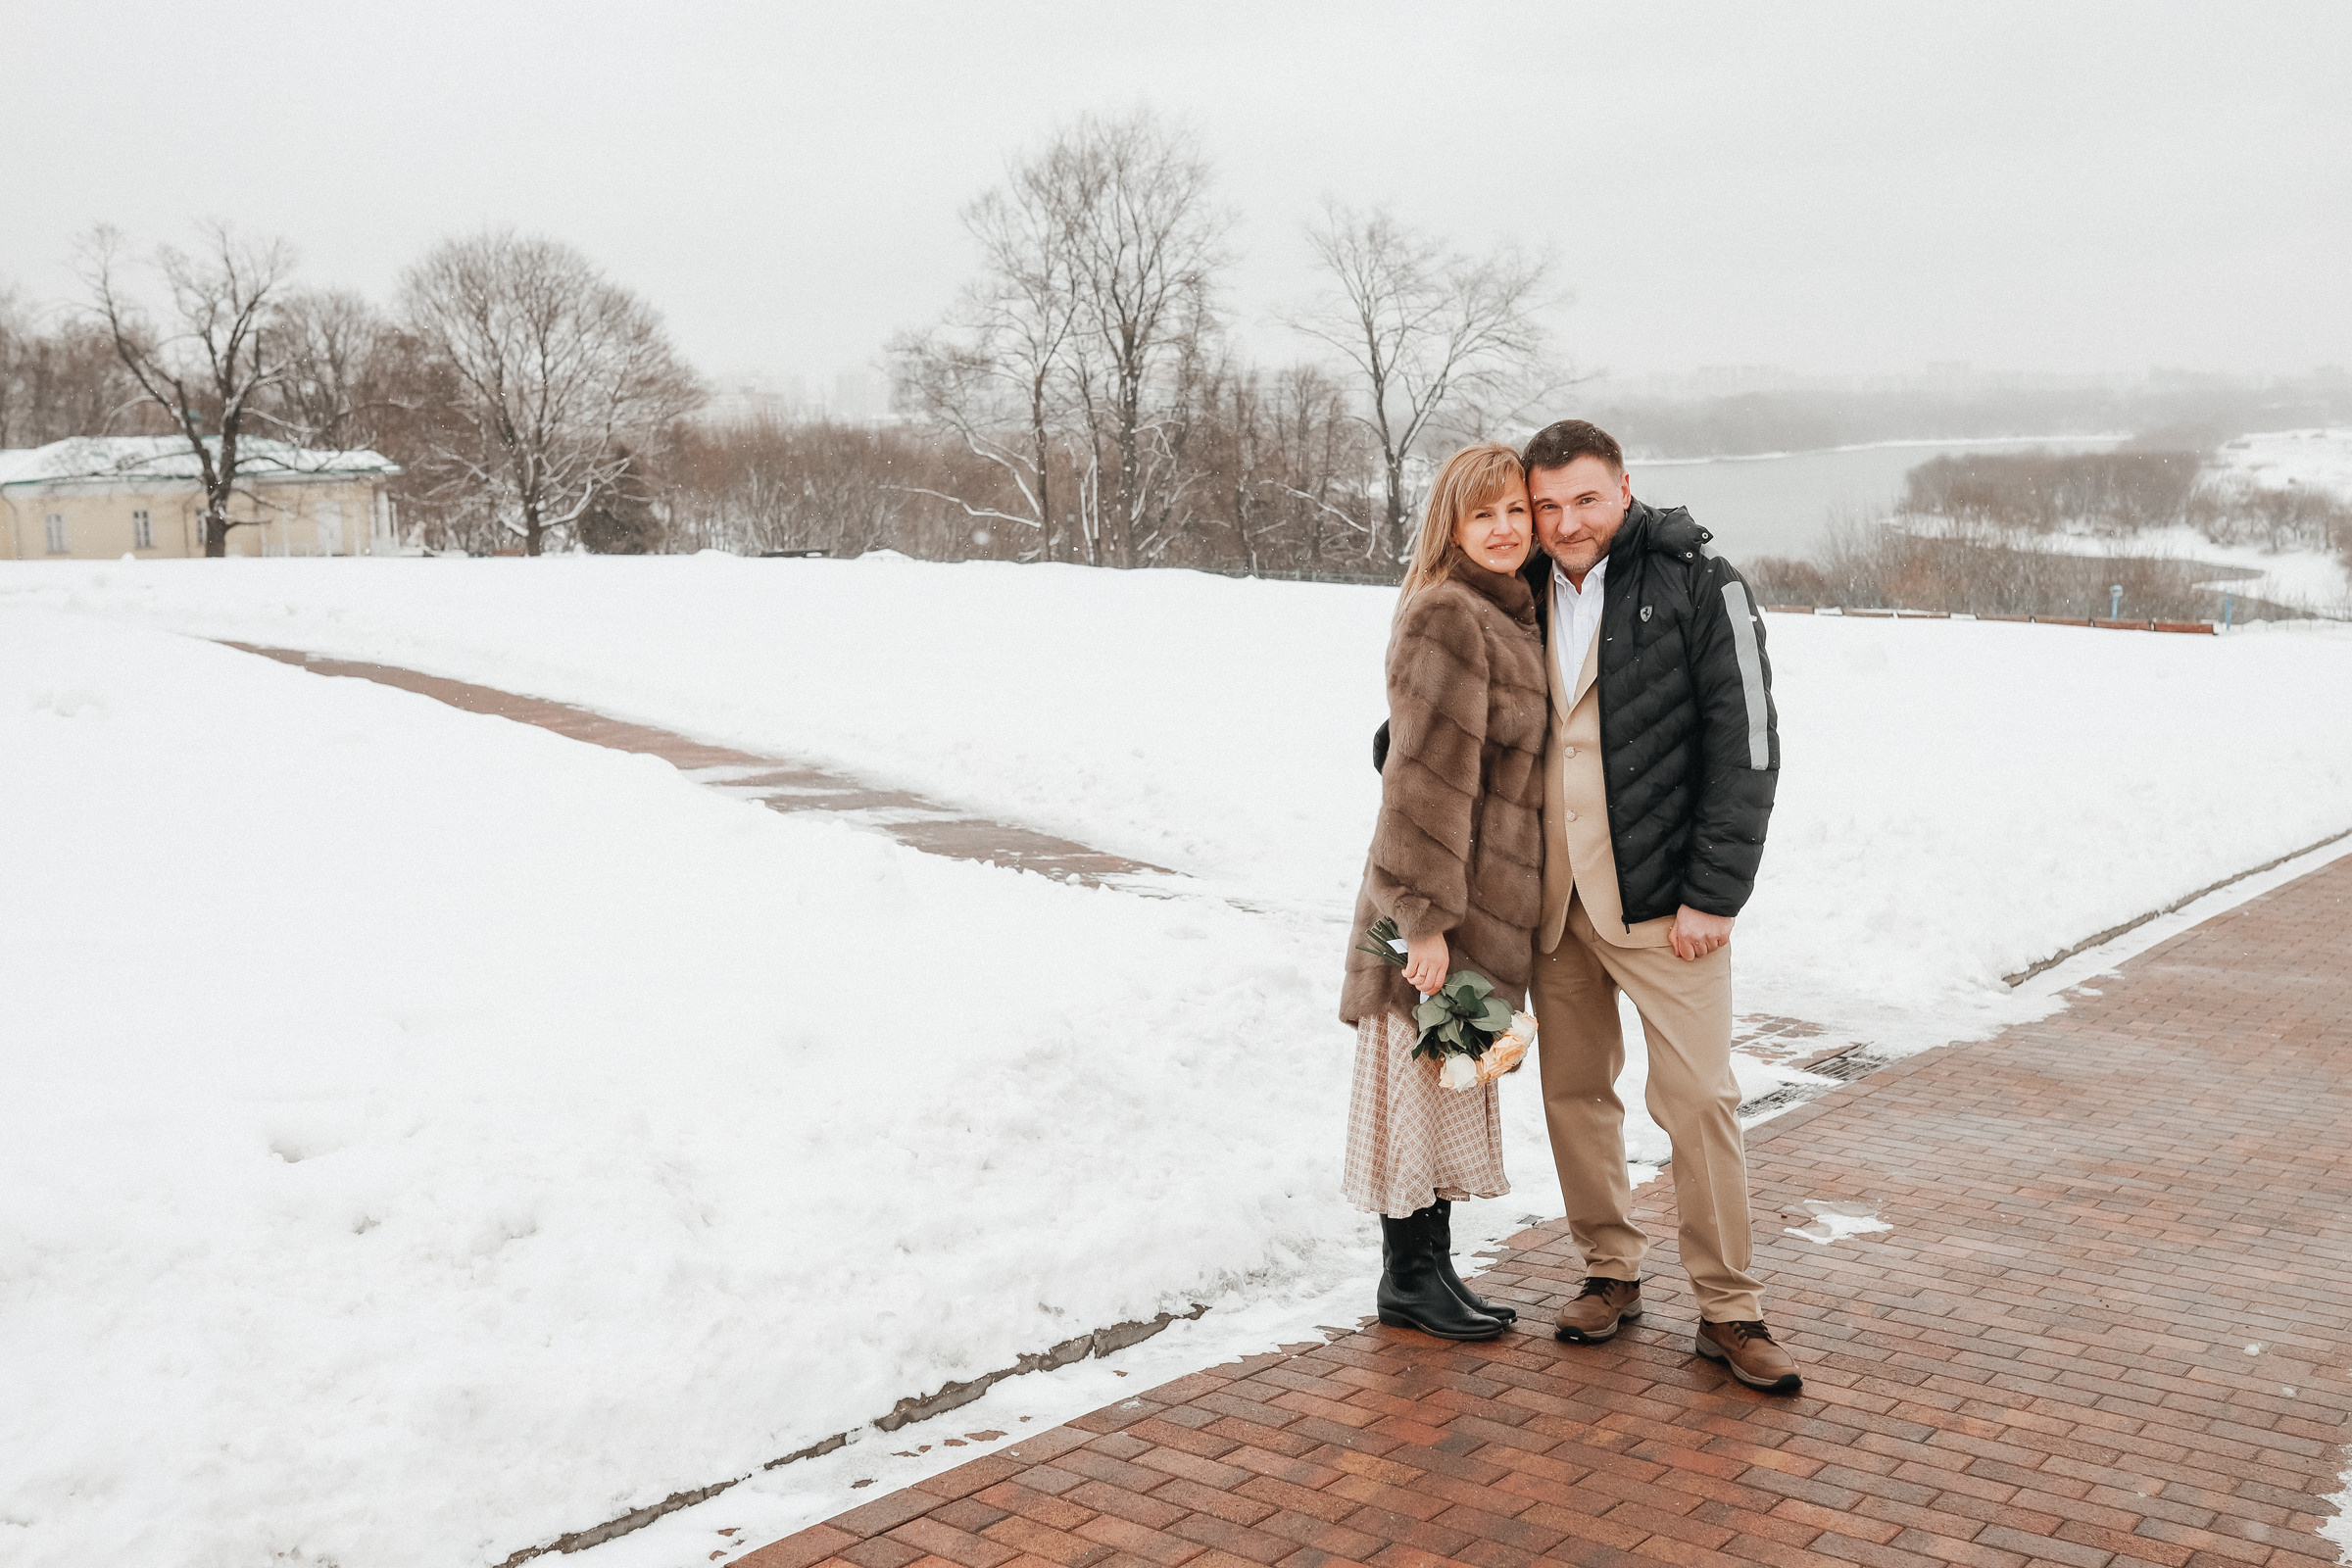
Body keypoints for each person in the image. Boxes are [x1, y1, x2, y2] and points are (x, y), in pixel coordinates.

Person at [1516, 418, 1799, 1392]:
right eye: (1548, 504)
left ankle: (1729, 1306)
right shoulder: (1513, 589)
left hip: (1664, 905)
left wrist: (1714, 893)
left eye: (1585, 498)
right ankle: (1609, 1268)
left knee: (1700, 1101)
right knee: (1574, 1096)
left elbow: (1749, 740)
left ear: (1624, 487)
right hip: (1554, 904)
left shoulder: (1698, 579)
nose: (1566, 521)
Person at [1340, 442, 1549, 1342]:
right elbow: (1421, 783)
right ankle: (1406, 1283)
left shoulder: (1513, 615)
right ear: (1452, 527)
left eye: (1516, 513)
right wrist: (1421, 924)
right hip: (1431, 912)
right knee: (1416, 1090)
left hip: (1477, 907)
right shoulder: (1447, 616)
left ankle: (1433, 1273)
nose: (1505, 531)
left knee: (1445, 1085)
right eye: (1483, 516)